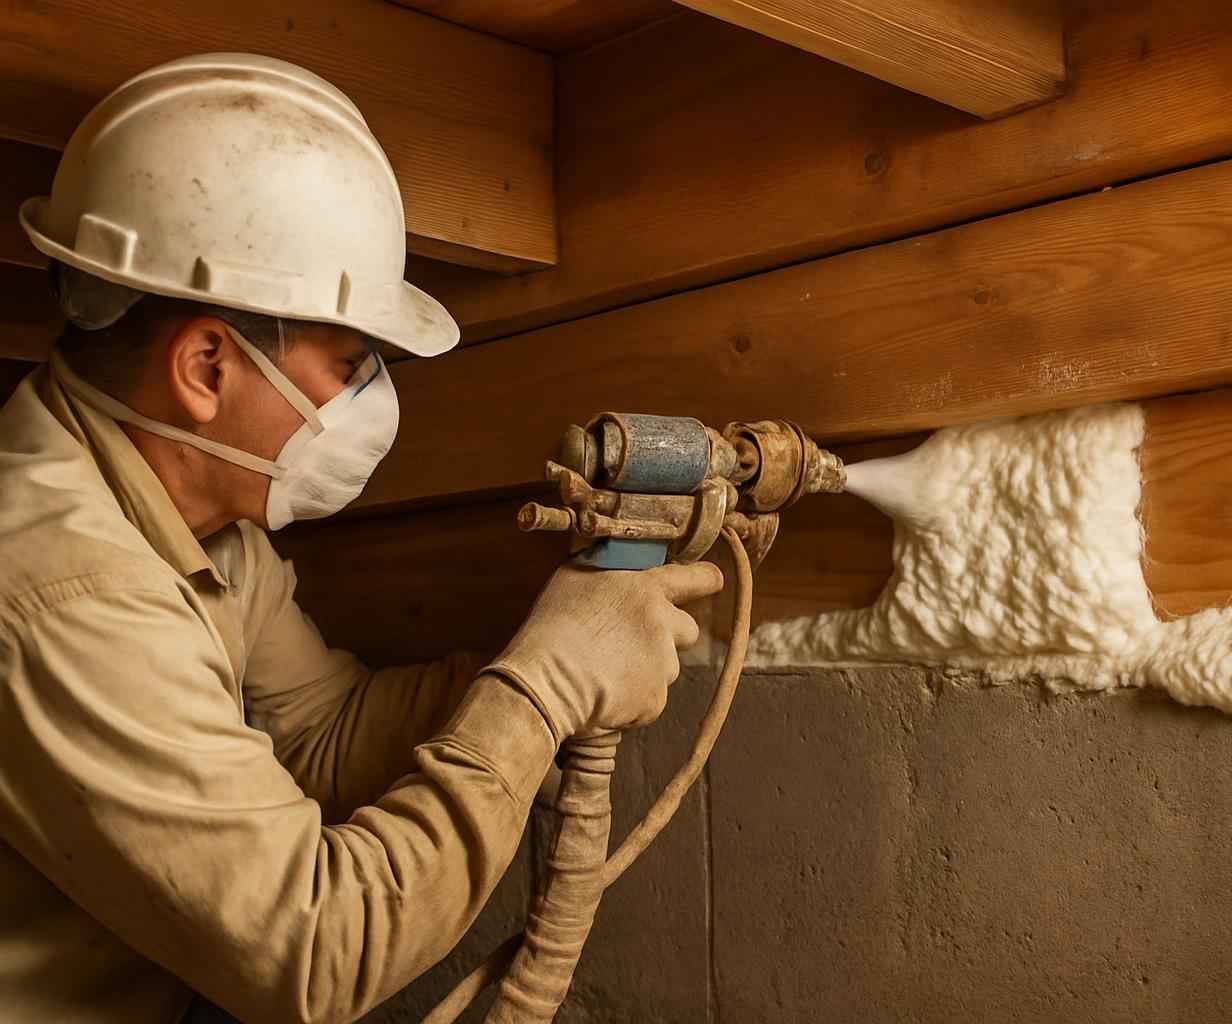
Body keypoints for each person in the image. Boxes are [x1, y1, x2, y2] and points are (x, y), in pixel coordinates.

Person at [0, 54, 721, 1022]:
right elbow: (315, 951)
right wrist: (541, 691)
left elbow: (322, 734)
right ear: (206, 366)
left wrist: (545, 653)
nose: (371, 398)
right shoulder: (62, 590)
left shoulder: (206, 525)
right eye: (349, 362)